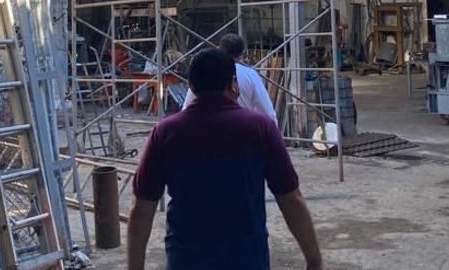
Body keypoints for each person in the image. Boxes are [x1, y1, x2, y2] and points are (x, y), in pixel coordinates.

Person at [128, 48, 323, 270]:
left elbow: (141, 207)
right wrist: (314, 260)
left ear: (191, 86)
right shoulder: (259, 128)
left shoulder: (166, 133)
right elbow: (290, 198)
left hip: (186, 258)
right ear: (232, 84)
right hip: (246, 259)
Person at [182, 33, 277, 125]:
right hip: (241, 128)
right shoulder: (251, 75)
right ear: (242, 54)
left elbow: (186, 109)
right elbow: (268, 114)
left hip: (206, 130)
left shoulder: (207, 72)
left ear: (219, 49)